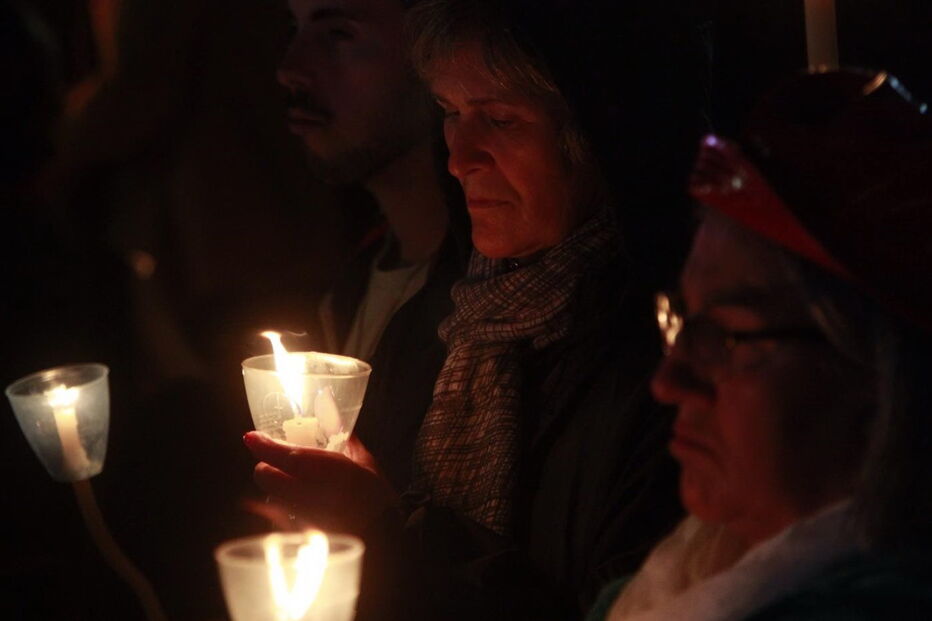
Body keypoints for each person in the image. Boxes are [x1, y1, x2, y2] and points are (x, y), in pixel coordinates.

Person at [245, 0, 709, 618]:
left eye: (501, 120)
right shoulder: (445, 325)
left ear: (599, 132)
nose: (461, 157)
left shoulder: (671, 371)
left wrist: (383, 533)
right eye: (450, 113)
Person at [589, 69, 932, 620]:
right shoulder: (668, 587)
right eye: (681, 321)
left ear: (878, 380)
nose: (668, 381)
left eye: (723, 337)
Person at [277, 0, 469, 490]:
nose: (290, 71)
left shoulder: (495, 312)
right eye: (294, 30)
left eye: (339, 33)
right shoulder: (348, 287)